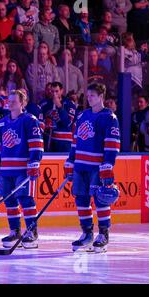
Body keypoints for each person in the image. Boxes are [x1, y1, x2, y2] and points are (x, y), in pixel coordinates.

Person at [64, 83, 121, 253]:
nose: (89, 98)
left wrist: (108, 164)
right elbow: (75, 141)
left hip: (97, 167)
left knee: (100, 200)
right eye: (88, 95)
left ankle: (103, 234)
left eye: (92, 96)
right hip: (80, 166)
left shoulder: (109, 117)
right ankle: (87, 233)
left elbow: (112, 144)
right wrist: (70, 161)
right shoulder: (82, 116)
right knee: (81, 199)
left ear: (101, 97)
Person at [0, 88, 43, 249]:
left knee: (25, 199)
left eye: (14, 101)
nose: (10, 103)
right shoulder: (2, 123)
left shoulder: (29, 120)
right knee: (9, 200)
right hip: (6, 170)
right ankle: (15, 231)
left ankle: (32, 233)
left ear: (23, 103)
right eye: (8, 100)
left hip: (22, 169)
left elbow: (36, 144)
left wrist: (35, 162)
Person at [40, 82, 76, 152]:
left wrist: (59, 106)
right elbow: (40, 121)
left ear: (62, 91)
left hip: (65, 142)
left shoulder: (69, 104)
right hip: (50, 140)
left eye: (57, 91)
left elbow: (68, 123)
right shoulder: (45, 104)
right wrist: (45, 123)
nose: (54, 94)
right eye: (52, 91)